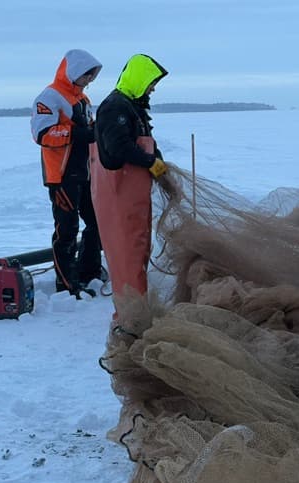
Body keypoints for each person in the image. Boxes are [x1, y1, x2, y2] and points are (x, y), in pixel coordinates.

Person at [90, 54, 169, 310]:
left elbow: (144, 141)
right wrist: (148, 162)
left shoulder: (133, 107)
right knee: (126, 254)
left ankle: (137, 307)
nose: (153, 88)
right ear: (138, 79)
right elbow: (117, 149)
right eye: (151, 82)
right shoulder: (115, 107)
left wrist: (156, 160)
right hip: (118, 194)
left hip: (134, 197)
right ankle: (129, 315)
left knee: (138, 249)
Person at [31, 49, 104, 296]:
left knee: (97, 223)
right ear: (74, 72)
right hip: (61, 175)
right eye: (86, 76)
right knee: (67, 228)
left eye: (92, 77)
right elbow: (42, 134)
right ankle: (66, 282)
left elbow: (90, 128)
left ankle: (89, 270)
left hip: (84, 172)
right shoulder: (50, 97)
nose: (89, 81)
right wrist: (77, 134)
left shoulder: (83, 100)